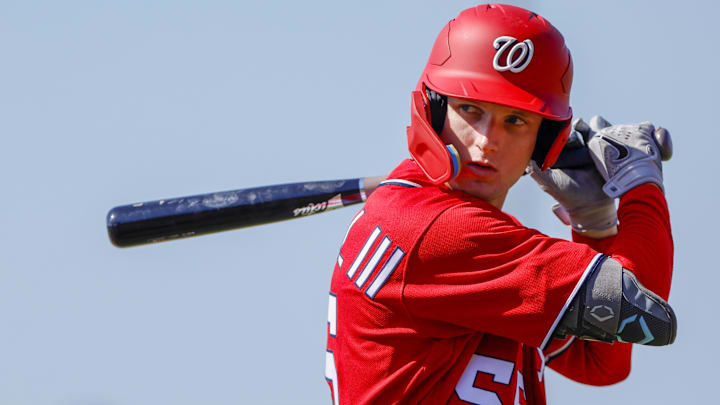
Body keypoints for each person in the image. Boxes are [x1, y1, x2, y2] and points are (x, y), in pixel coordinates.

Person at [324, 4, 676, 404]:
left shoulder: (438, 222)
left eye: (516, 121)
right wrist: (640, 184)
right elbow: (644, 315)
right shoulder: (437, 230)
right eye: (470, 110)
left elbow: (600, 362)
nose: (486, 141)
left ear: (545, 141)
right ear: (434, 110)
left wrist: (593, 224)